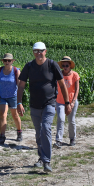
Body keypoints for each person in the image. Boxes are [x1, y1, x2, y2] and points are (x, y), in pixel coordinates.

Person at [17, 42, 70, 173]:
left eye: (41, 51)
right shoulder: (29, 66)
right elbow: (21, 85)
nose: (39, 53)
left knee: (45, 128)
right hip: (34, 105)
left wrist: (67, 103)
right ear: (33, 52)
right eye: (36, 51)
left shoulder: (52, 65)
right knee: (38, 132)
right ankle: (41, 158)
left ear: (45, 51)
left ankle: (46, 161)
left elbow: (62, 85)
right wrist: (19, 102)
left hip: (50, 103)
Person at [0, 53, 22, 145]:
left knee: (15, 116)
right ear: (3, 61)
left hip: (13, 96)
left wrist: (19, 101)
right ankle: (2, 136)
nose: (7, 62)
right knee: (3, 114)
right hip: (2, 96)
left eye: (9, 60)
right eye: (5, 60)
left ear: (12, 61)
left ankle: (19, 132)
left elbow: (19, 86)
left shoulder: (16, 71)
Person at [54, 56, 80, 148]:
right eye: (63, 65)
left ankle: (72, 138)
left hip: (71, 101)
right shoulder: (58, 75)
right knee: (61, 119)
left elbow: (76, 90)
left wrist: (73, 102)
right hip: (60, 101)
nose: (65, 67)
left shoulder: (75, 75)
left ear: (70, 66)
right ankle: (59, 140)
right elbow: (55, 88)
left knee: (71, 120)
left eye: (66, 65)